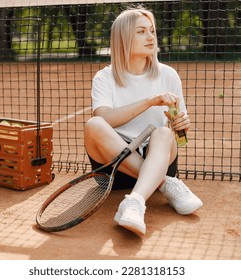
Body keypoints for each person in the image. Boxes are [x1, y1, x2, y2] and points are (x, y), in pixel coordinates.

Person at [84, 6, 203, 236]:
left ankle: (134, 202)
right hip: (114, 168)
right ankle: (165, 184)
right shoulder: (104, 78)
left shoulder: (168, 75)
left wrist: (181, 127)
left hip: (157, 159)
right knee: (94, 124)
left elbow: (181, 137)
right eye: (141, 31)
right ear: (124, 37)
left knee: (164, 133)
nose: (151, 37)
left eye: (152, 30)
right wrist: (150, 101)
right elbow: (105, 118)